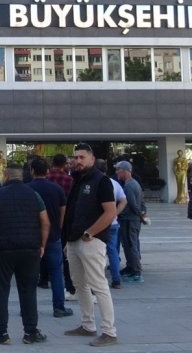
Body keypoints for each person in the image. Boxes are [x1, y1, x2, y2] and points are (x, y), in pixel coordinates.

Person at [0, 164, 49, 345]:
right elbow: (45, 222)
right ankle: (30, 332)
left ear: (6, 176)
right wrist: (42, 244)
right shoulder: (34, 195)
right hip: (29, 249)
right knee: (28, 290)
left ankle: (1, 333)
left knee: (1, 290)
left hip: (1, 250)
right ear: (21, 177)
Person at [63, 143, 119, 347]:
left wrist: (90, 232)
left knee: (99, 285)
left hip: (91, 241)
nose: (78, 161)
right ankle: (88, 325)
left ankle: (109, 331)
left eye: (82, 157)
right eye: (76, 157)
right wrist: (68, 240)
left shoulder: (101, 181)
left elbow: (110, 212)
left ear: (92, 159)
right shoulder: (77, 180)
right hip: (74, 240)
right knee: (79, 284)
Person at [27, 158, 71, 318]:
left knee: (29, 274)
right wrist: (58, 228)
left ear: (32, 171)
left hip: (32, 237)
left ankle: (28, 308)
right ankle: (59, 307)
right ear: (47, 171)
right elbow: (63, 211)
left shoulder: (27, 189)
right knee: (56, 273)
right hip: (53, 236)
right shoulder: (56, 189)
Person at [96, 160, 126, 289]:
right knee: (112, 251)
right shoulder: (114, 183)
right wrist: (115, 213)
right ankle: (116, 279)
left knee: (97, 252)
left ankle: (97, 281)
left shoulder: (95, 183)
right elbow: (123, 200)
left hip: (98, 223)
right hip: (112, 223)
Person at [115, 160, 146, 283]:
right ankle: (130, 266)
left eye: (118, 170)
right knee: (129, 244)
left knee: (131, 245)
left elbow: (132, 204)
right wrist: (142, 213)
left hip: (130, 220)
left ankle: (136, 271)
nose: (117, 172)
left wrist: (140, 216)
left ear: (125, 171)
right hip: (132, 219)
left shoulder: (129, 186)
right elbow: (141, 202)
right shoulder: (134, 183)